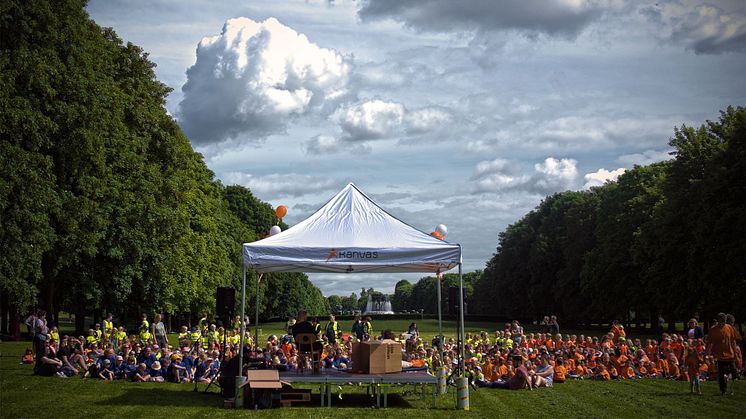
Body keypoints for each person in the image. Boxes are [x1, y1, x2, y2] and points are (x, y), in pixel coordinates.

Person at [708, 312, 738, 395]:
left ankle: (729, 379)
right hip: (720, 355)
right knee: (721, 374)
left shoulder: (729, 328)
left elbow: (733, 341)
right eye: (721, 322)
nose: (722, 324)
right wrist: (707, 354)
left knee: (734, 371)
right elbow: (709, 343)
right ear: (718, 321)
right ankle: (723, 390)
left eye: (724, 322)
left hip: (730, 354)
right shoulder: (713, 330)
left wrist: (735, 352)